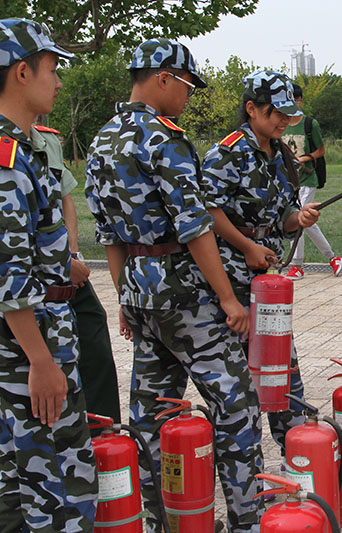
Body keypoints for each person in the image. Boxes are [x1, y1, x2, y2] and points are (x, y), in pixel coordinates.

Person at [84, 38, 264, 533]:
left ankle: (161, 521)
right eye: (186, 85)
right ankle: (249, 521)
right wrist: (227, 298)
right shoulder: (164, 138)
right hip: (184, 296)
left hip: (140, 295)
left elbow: (109, 235)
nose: (188, 95)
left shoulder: (101, 141)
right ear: (162, 78)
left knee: (151, 416)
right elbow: (195, 227)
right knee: (236, 406)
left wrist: (124, 299)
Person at [0, 18, 98, 531]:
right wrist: (40, 361)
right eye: (52, 69)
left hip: (41, 337)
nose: (58, 82)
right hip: (27, 352)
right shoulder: (7, 162)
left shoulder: (23, 150)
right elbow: (8, 275)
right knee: (53, 489)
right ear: (22, 72)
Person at [201, 71, 319, 452]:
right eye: (276, 113)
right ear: (251, 109)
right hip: (232, 280)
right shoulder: (227, 152)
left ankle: (299, 459)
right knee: (239, 383)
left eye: (287, 114)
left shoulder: (280, 155)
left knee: (282, 370)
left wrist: (299, 219)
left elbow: (283, 217)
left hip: (268, 284)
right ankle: (244, 464)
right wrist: (247, 246)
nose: (283, 121)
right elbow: (208, 212)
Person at [35, 123, 122, 424]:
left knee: (94, 341)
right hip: (28, 281)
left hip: (66, 270)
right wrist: (62, 262)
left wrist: (72, 253)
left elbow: (65, 199)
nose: (57, 96)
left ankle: (103, 431)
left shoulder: (44, 140)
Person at [281, 83, 342, 280]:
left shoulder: (309, 124)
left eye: (295, 100)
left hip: (306, 178)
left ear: (300, 101)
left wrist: (304, 158)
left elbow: (320, 150)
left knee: (300, 219)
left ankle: (297, 265)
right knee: (305, 221)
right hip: (288, 181)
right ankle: (333, 258)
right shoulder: (281, 124)